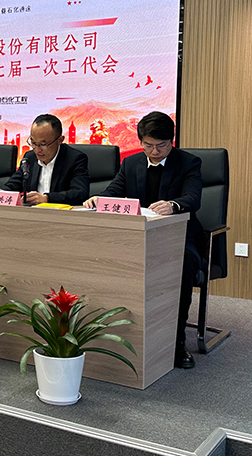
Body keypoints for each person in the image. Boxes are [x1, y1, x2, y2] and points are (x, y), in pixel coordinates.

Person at [83, 111, 202, 369]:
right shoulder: (131, 163)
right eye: (148, 145)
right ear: (140, 141)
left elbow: (193, 198)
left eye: (161, 146)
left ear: (172, 141)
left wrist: (173, 205)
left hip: (178, 239)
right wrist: (100, 199)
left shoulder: (189, 163)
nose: (155, 151)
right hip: (138, 238)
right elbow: (115, 191)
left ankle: (176, 343)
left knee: (180, 269)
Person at [2, 114, 89, 205]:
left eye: (43, 144)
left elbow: (80, 193)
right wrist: (0, 191)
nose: (37, 149)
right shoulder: (30, 157)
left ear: (60, 140)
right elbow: (14, 184)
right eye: (33, 143)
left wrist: (47, 198)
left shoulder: (75, 159)